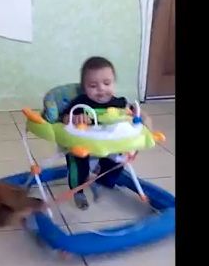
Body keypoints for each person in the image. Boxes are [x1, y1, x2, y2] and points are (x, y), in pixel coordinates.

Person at [58, 56, 152, 210]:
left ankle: (105, 179)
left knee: (119, 160)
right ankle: (77, 191)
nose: (101, 89)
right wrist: (74, 118)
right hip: (83, 145)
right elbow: (63, 118)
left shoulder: (119, 103)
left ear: (113, 83)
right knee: (77, 163)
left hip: (110, 144)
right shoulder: (80, 103)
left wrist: (140, 116)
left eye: (107, 83)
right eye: (93, 85)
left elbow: (133, 114)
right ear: (84, 87)